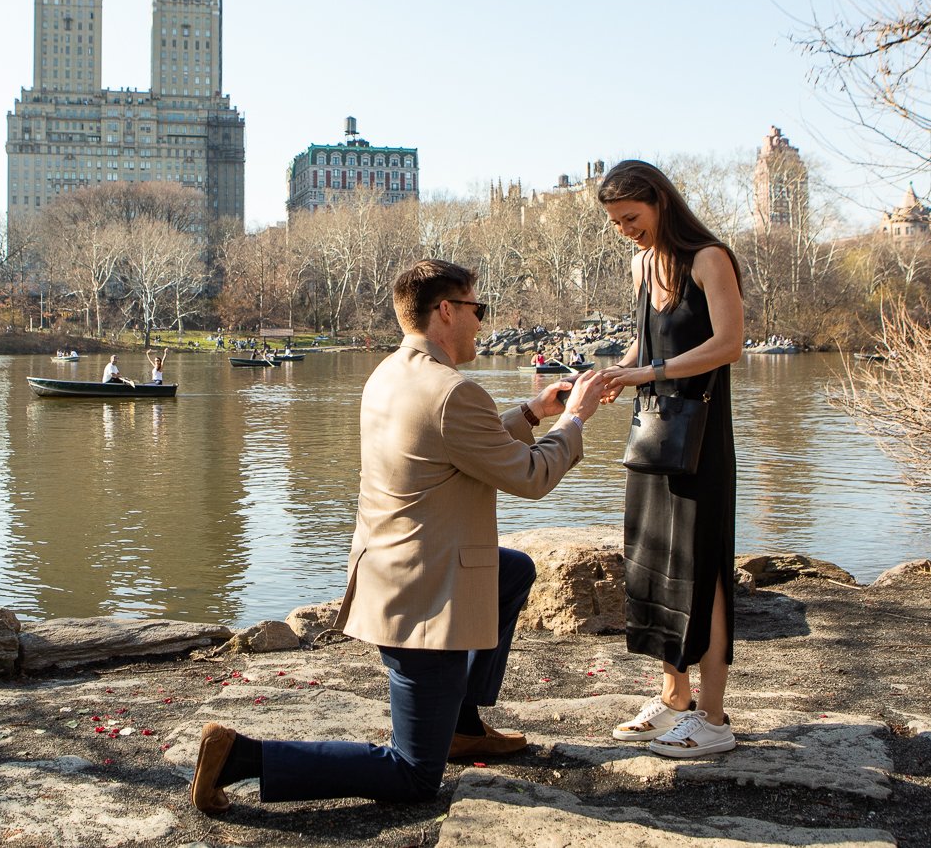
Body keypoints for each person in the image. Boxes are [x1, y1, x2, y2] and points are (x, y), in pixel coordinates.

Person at [191, 259, 618, 814]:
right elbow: (529, 476)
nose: (481, 324)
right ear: (447, 310)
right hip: (424, 596)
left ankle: (461, 725)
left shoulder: (392, 372)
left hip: (388, 569)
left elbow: (457, 444)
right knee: (415, 776)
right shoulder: (452, 391)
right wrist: (574, 420)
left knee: (512, 571)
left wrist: (532, 412)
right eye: (476, 310)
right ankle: (240, 758)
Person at [598, 160, 744, 758]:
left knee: (701, 568)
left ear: (660, 202)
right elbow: (650, 340)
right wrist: (613, 372)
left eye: (631, 217)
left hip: (701, 438)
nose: (624, 230)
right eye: (615, 222)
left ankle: (713, 718)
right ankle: (674, 697)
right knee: (654, 560)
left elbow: (727, 345)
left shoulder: (709, 258)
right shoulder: (641, 263)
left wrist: (648, 372)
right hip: (655, 433)